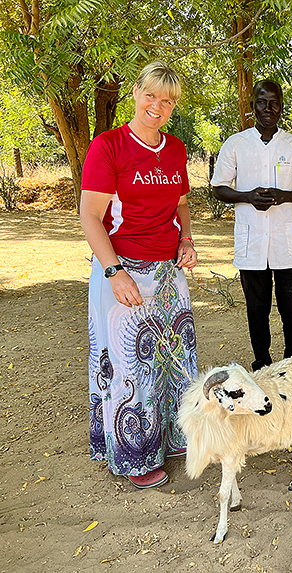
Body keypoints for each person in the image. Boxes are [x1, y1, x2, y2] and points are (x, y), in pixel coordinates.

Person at [80, 61, 198, 488]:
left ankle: (171, 433)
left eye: (167, 100)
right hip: (122, 268)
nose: (158, 105)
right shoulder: (108, 146)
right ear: (135, 92)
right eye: (151, 95)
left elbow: (181, 202)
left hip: (168, 270)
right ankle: (135, 454)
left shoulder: (176, 149)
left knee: (174, 357)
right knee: (132, 365)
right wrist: (114, 272)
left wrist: (186, 240)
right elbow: (90, 216)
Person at [211, 80, 292, 372]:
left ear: (281, 106)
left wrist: (285, 196)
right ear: (252, 106)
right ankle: (262, 364)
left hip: (288, 243)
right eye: (261, 102)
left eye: (274, 102)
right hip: (252, 241)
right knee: (257, 310)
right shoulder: (236, 144)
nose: (268, 109)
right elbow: (219, 187)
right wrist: (246, 196)